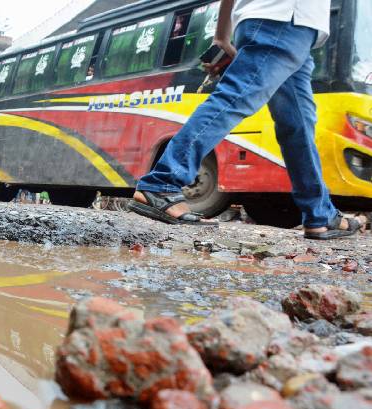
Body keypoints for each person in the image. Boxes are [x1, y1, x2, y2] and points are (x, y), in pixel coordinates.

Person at [129, 0, 367, 240]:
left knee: (299, 127)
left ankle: (320, 214)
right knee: (235, 99)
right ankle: (162, 182)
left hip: (286, 28)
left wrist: (222, 33)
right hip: (285, 22)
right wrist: (222, 33)